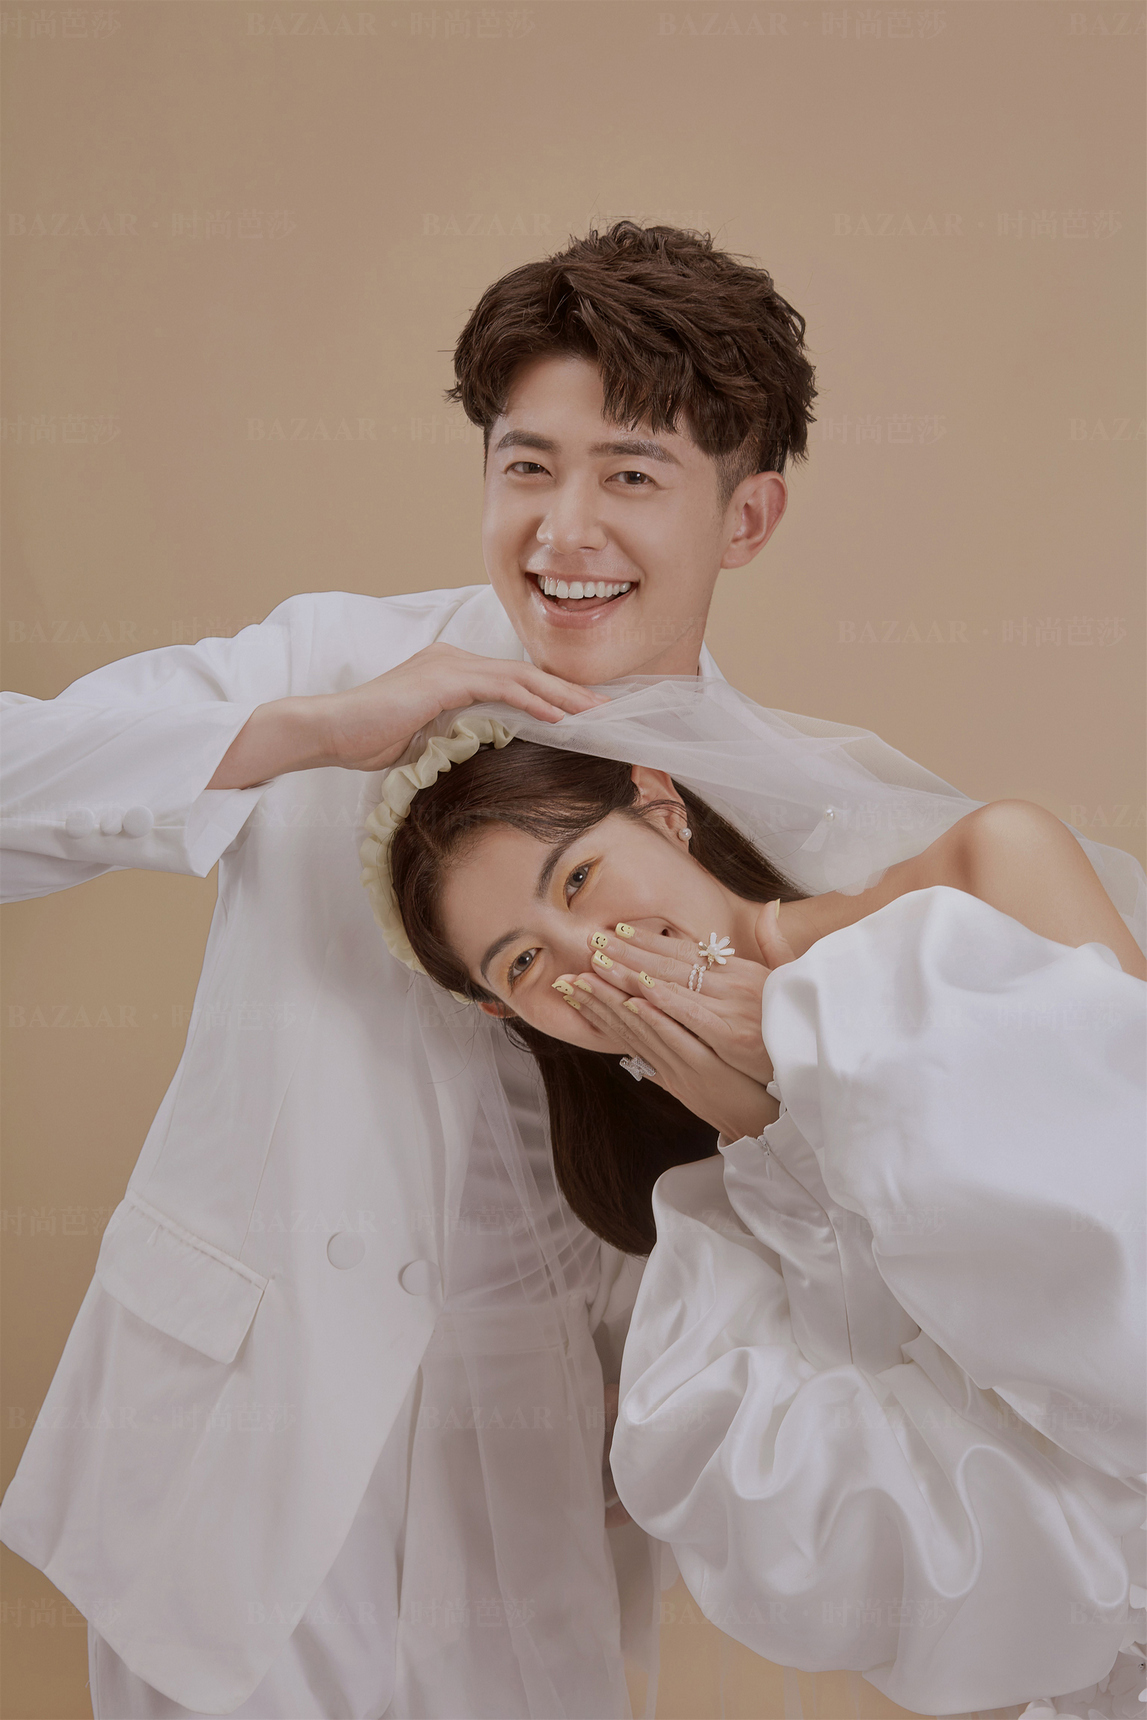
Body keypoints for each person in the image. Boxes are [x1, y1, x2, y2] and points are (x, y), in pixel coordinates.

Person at [0, 219, 830, 1720]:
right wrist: (312, 733)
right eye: (527, 466)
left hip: (530, 1471)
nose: (563, 532)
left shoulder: (777, 813)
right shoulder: (332, 663)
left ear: (747, 517)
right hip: (238, 1442)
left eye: (630, 477)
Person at [363, 692, 1146, 1719]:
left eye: (579, 878)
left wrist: (800, 1042)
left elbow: (1115, 1258)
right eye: (524, 962)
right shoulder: (700, 1213)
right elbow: (916, 1515)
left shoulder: (986, 867)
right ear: (502, 1011)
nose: (588, 954)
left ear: (658, 805)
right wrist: (758, 1130)